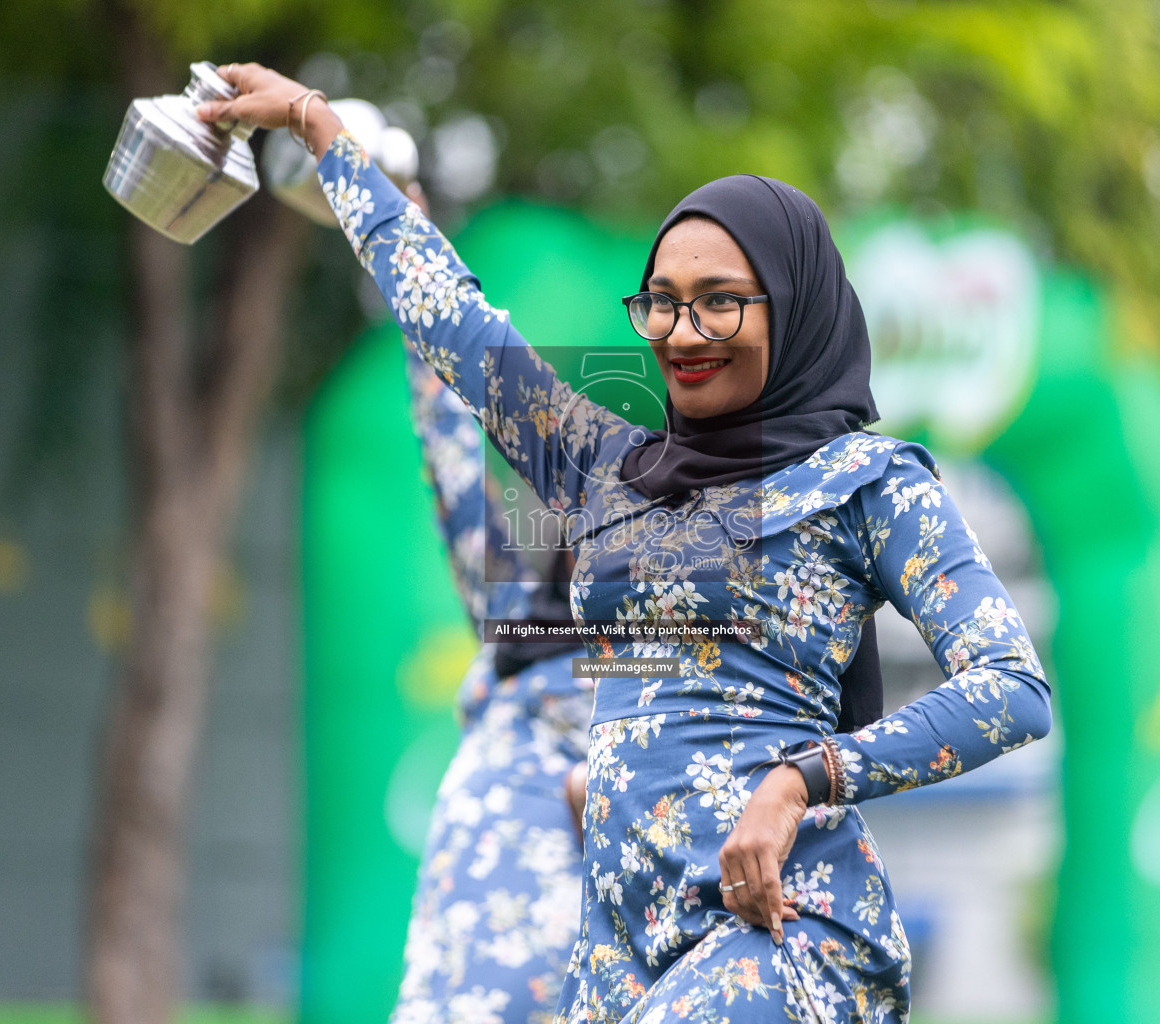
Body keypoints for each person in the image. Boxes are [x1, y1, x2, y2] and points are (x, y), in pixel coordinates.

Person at [199, 65, 1053, 1023]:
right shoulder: (605, 472)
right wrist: (323, 132)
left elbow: (1011, 691)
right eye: (661, 301)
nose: (683, 332)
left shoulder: (869, 484)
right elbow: (456, 326)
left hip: (778, 938)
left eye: (721, 300)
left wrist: (798, 781)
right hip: (621, 961)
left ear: (795, 304)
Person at [392, 334, 593, 1023]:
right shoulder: (517, 620)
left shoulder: (668, 667)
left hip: (555, 980)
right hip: (446, 973)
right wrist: (421, 306)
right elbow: (451, 454)